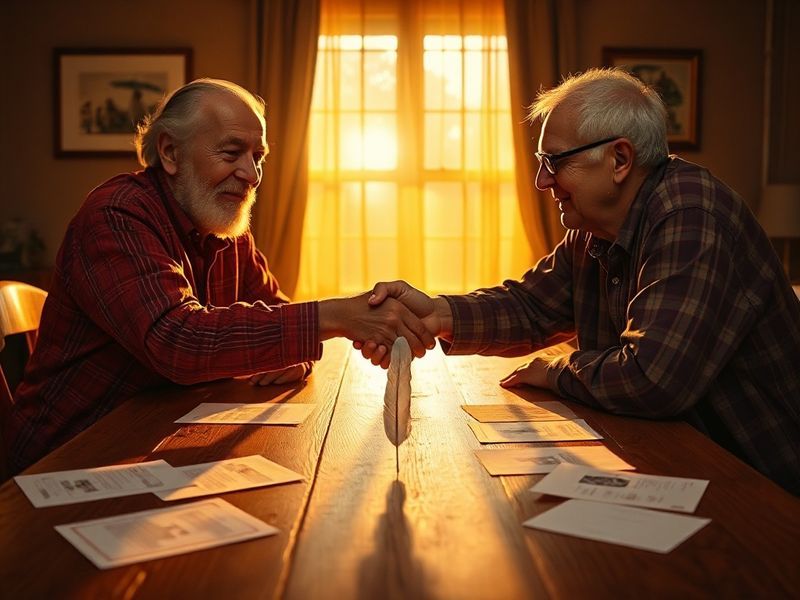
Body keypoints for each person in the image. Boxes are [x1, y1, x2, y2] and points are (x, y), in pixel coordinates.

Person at [361, 68, 800, 495]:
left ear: (620, 159)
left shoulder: (692, 212)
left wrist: (555, 372)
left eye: (555, 161)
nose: (541, 181)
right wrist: (436, 313)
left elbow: (652, 379)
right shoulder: (594, 228)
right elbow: (531, 307)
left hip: (764, 489)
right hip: (686, 469)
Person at [4, 78, 433, 474]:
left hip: (150, 448)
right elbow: (177, 341)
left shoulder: (224, 226)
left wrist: (295, 354)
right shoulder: (115, 215)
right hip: (61, 463)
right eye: (231, 154)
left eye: (258, 157)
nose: (251, 175)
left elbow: (280, 310)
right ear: (170, 153)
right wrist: (339, 316)